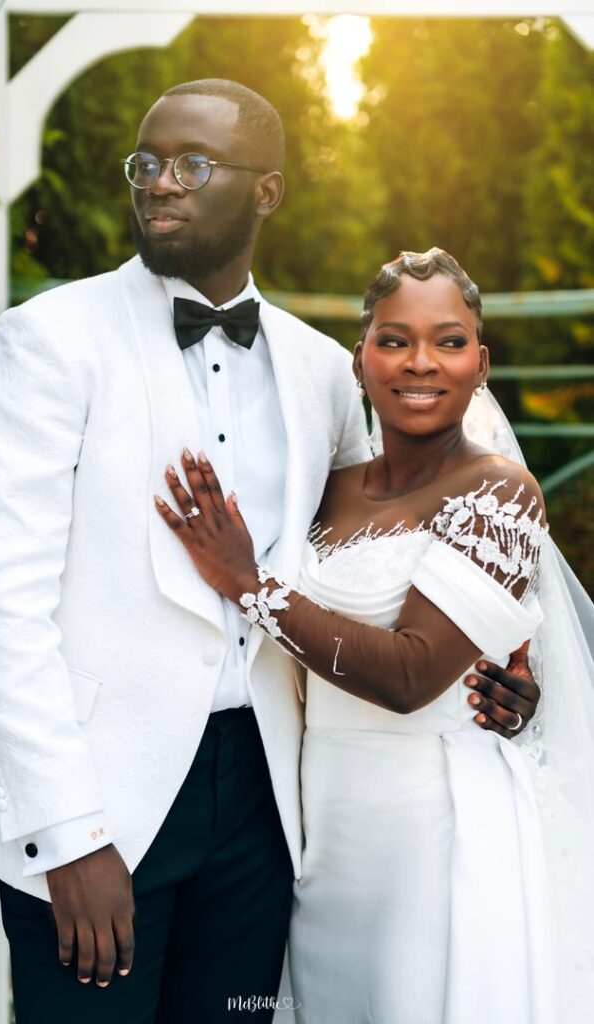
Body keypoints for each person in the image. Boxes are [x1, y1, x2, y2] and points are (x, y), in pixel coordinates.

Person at [0, 80, 539, 1024]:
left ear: (265, 191)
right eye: (145, 165)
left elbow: (384, 557)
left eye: (192, 165)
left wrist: (497, 676)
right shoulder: (50, 339)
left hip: (268, 809)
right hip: (103, 805)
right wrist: (68, 834)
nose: (159, 186)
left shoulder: (319, 370)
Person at [156, 248, 594, 1023]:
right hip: (318, 823)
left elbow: (410, 675)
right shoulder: (325, 491)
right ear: (359, 362)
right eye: (393, 339)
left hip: (434, 826)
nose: (419, 362)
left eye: (448, 341)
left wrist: (249, 585)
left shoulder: (498, 492)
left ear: (480, 362)